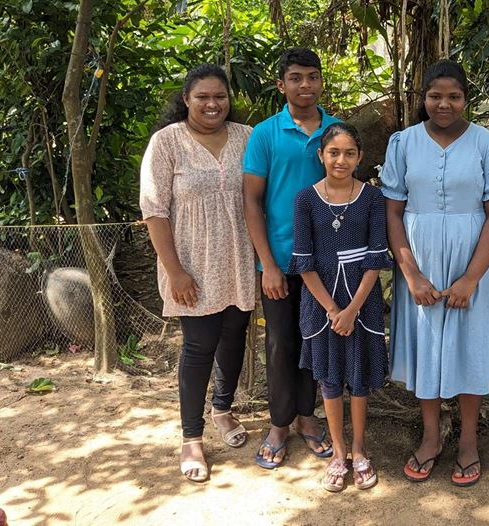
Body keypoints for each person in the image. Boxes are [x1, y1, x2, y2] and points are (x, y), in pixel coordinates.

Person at [381, 59, 489, 487]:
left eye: (454, 96)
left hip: (474, 258)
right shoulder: (402, 143)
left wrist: (471, 277)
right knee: (426, 346)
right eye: (435, 95)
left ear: (465, 100)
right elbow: (393, 211)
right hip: (419, 261)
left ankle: (469, 439)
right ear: (423, 98)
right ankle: (432, 436)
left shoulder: (488, 144)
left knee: (469, 345)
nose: (444, 104)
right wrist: (412, 274)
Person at [139, 63, 255, 483]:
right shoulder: (166, 142)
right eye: (203, 96)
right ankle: (192, 438)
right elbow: (154, 209)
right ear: (186, 98)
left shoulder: (246, 137)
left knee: (234, 337)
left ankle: (223, 409)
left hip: (240, 258)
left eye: (219, 96)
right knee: (199, 346)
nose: (212, 104)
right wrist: (175, 271)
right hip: (191, 264)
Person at [243, 48, 339, 469]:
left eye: (312, 77)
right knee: (281, 343)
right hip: (280, 262)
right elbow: (251, 199)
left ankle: (307, 417)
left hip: (326, 264)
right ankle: (278, 424)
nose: (306, 85)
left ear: (321, 82)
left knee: (317, 341)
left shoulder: (337, 131)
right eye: (296, 78)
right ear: (282, 85)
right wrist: (267, 263)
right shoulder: (265, 133)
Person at [287, 123, 390, 492]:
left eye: (349, 153)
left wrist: (352, 310)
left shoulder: (372, 198)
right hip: (321, 302)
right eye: (334, 152)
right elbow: (304, 261)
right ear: (321, 155)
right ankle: (338, 453)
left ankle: (360, 449)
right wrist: (334, 310)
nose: (341, 160)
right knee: (329, 378)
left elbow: (376, 257)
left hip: (363, 299)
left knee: (359, 376)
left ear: (359, 157)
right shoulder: (305, 199)